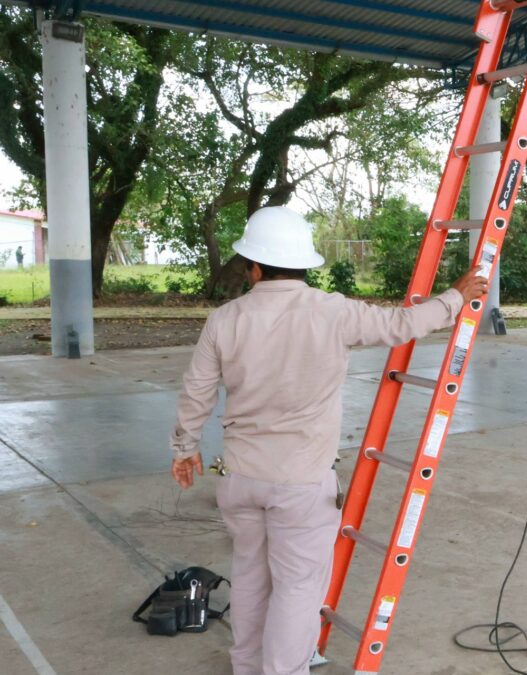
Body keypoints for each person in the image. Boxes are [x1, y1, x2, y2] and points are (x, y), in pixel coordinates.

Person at [169, 206, 487, 675]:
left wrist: (184, 449)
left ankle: (247, 668)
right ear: (304, 264)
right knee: (297, 590)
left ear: (255, 267)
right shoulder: (332, 312)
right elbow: (402, 325)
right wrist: (453, 298)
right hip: (300, 483)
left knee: (252, 581)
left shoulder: (225, 319)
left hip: (238, 478)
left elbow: (196, 389)